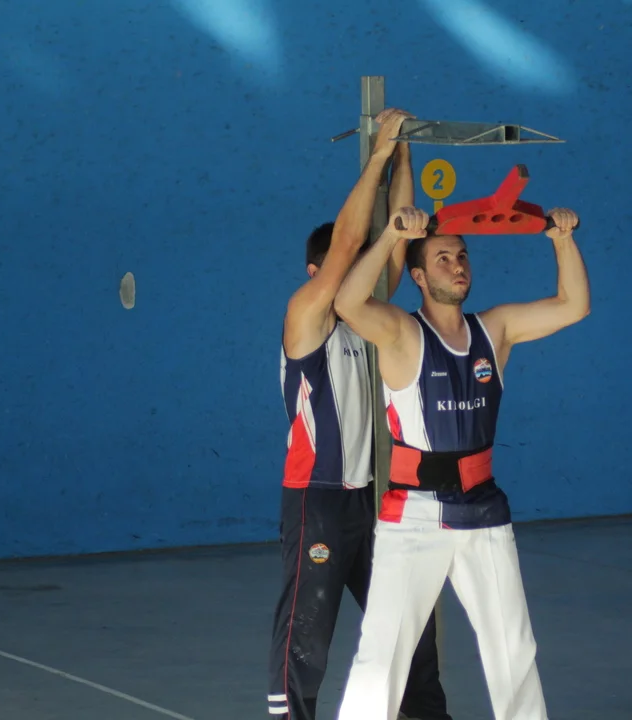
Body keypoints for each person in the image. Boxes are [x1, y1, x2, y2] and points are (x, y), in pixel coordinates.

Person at [331, 205, 590, 719]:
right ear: (419, 277)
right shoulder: (401, 332)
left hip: (484, 512)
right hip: (413, 516)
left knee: (513, 648)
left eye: (462, 256)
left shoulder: (496, 329)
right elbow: (347, 303)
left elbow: (573, 305)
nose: (457, 266)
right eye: (443, 258)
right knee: (383, 653)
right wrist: (392, 237)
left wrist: (562, 239)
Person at [267, 109, 451, 720]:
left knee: (408, 620)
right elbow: (351, 244)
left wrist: (404, 154)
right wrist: (377, 155)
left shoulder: (367, 315)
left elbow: (392, 243)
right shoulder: (306, 316)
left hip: (374, 497)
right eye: (338, 272)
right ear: (314, 276)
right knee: (309, 632)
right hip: (317, 497)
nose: (355, 278)